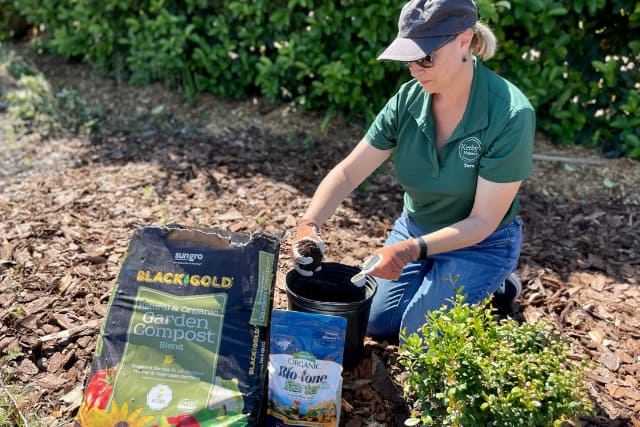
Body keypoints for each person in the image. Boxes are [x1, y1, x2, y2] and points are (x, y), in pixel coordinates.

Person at [291, 0, 535, 342]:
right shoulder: (408, 100)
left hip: (481, 244)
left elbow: (482, 221)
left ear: (464, 40)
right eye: (408, 58)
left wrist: (406, 252)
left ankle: (498, 283)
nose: (414, 69)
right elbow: (349, 173)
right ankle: (442, 278)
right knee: (374, 322)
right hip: (416, 226)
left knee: (415, 335)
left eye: (425, 57)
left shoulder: (510, 114)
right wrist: (308, 225)